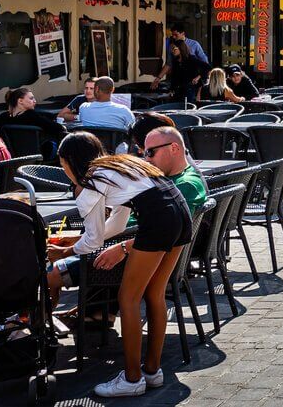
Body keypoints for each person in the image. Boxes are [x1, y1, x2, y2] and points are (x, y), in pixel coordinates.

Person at [48, 133, 192, 398]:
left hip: (158, 220)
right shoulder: (116, 165)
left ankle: (132, 379)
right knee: (154, 294)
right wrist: (77, 241)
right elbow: (118, 224)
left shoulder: (89, 182)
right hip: (179, 212)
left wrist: (65, 251)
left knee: (127, 298)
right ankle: (151, 371)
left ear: (69, 161)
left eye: (62, 164)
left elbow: (92, 241)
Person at [0, 86, 66, 159]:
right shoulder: (31, 115)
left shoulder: (3, 117)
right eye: (31, 98)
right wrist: (63, 126)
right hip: (40, 155)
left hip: (14, 156)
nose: (35, 101)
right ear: (20, 101)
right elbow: (58, 128)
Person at [149, 23, 209, 90]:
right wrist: (158, 78)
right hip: (178, 81)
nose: (174, 37)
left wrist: (198, 77)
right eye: (172, 35)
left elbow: (205, 64)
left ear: (183, 33)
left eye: (176, 35)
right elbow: (168, 64)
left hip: (193, 81)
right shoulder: (172, 46)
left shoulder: (194, 45)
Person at [166, 39, 209, 104]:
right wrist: (171, 89)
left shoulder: (191, 59)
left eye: (174, 49)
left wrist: (198, 77)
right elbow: (174, 77)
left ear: (180, 48)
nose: (172, 51)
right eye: (171, 49)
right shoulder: (175, 61)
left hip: (190, 90)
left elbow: (207, 67)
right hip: (178, 90)